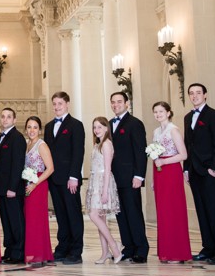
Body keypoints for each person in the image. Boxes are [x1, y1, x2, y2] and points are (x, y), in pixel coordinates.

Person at [184, 83, 215, 265]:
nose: (195, 96)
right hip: (194, 172)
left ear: (205, 95)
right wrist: (186, 169)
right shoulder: (188, 117)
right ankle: (208, 248)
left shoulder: (214, 115)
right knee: (202, 211)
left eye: (198, 93)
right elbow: (188, 144)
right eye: (191, 93)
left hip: (209, 171)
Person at [43, 91, 85, 264]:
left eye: (60, 103)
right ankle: (62, 247)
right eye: (54, 104)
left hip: (70, 179)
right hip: (54, 178)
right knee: (60, 214)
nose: (57, 107)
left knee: (73, 214)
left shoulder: (76, 125)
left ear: (67, 104)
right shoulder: (48, 127)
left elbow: (78, 152)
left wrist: (74, 176)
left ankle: (76, 251)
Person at [109, 91, 149, 263]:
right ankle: (129, 247)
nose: (116, 105)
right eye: (113, 102)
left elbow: (140, 152)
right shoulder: (109, 124)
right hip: (114, 178)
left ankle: (141, 248)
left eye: (119, 101)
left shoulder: (135, 124)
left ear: (127, 103)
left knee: (133, 213)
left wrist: (139, 175)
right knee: (121, 214)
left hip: (130, 177)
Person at [151, 101, 192, 263]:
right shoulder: (156, 131)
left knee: (174, 210)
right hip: (159, 172)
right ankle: (166, 252)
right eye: (155, 112)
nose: (158, 114)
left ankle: (178, 252)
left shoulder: (173, 130)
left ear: (168, 113)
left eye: (161, 111)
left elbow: (183, 155)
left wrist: (164, 162)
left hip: (171, 171)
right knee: (163, 212)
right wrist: (154, 177)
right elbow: (154, 154)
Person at [86, 117, 123, 264]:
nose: (96, 130)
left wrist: (105, 191)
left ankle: (114, 246)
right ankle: (105, 252)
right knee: (100, 218)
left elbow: (108, 168)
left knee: (94, 214)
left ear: (106, 128)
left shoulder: (107, 144)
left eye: (100, 127)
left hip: (103, 182)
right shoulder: (97, 144)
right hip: (95, 181)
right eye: (95, 127)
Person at [0, 107, 26, 264]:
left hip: (12, 189)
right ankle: (9, 250)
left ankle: (19, 252)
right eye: (3, 117)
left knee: (16, 221)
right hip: (1, 188)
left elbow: (18, 164)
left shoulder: (17, 137)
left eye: (8, 117)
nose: (5, 119)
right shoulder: (1, 137)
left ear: (14, 120)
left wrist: (12, 188)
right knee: (6, 221)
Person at [23, 116, 55, 264]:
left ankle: (39, 254)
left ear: (40, 130)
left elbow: (50, 169)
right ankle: (34, 252)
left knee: (37, 220)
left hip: (39, 185)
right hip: (29, 185)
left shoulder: (42, 145)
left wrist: (35, 183)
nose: (32, 130)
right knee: (30, 220)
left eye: (35, 127)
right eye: (29, 127)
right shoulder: (28, 144)